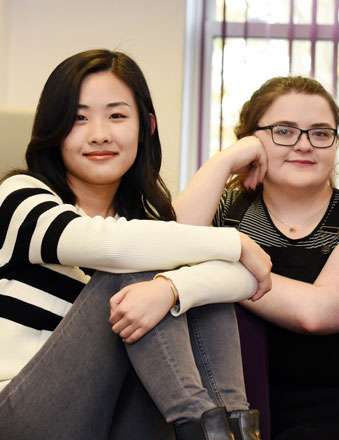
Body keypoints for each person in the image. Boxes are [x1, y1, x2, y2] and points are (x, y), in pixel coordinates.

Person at [0, 49, 271, 439]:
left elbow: (244, 280)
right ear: (53, 128)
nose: (99, 133)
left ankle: (231, 430)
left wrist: (172, 289)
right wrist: (234, 242)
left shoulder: (146, 229)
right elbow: (113, 247)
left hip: (107, 420)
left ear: (146, 126)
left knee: (180, 287)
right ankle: (199, 426)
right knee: (139, 268)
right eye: (78, 118)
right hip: (18, 416)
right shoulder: (21, 197)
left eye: (116, 115)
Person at [174, 76, 339, 439]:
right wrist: (226, 160)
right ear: (253, 140)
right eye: (283, 131)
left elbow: (318, 312)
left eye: (320, 133)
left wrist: (219, 262)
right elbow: (170, 248)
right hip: (239, 408)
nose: (304, 145)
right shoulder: (226, 212)